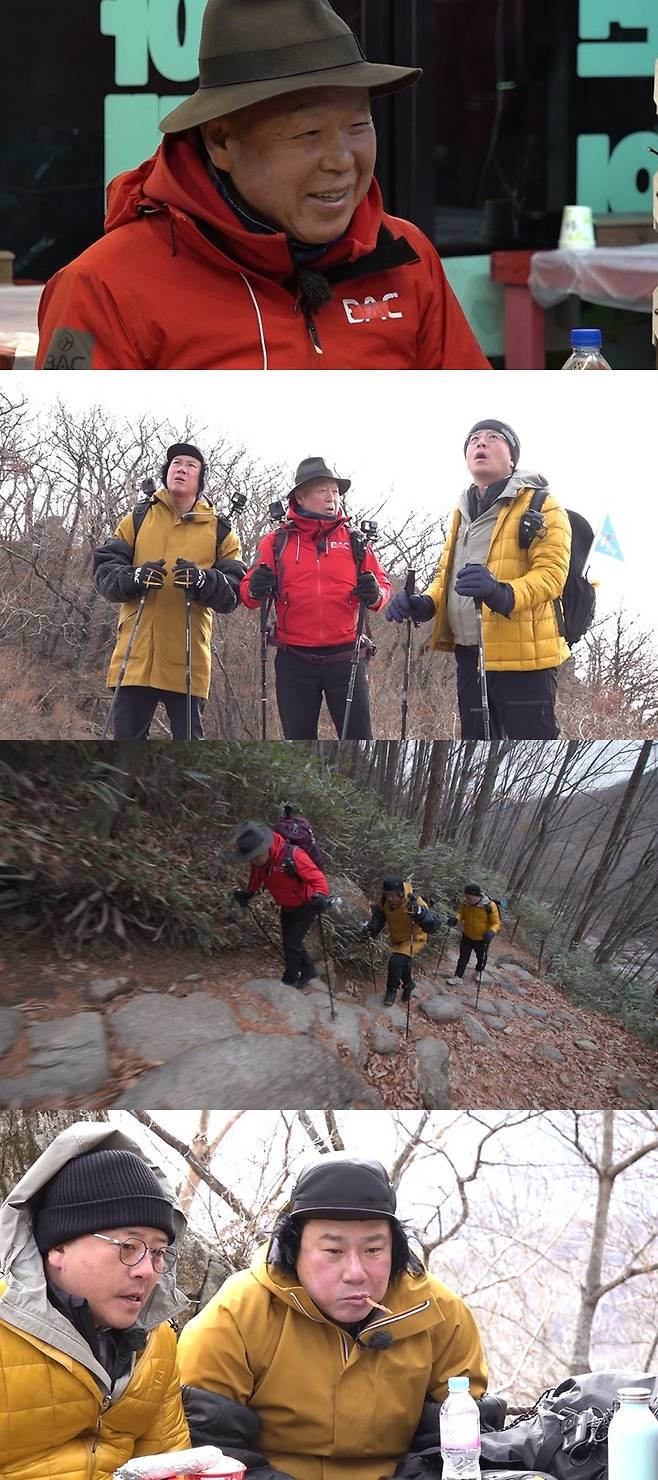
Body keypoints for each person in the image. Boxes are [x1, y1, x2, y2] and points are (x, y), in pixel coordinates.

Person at [35, 0, 491, 371]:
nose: (341, 161)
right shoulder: (102, 288)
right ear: (221, 141)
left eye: (358, 125)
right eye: (306, 134)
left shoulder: (406, 255)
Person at [178, 1156, 488, 1480]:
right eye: (333, 1251)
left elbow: (459, 1450)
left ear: (395, 1249)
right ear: (293, 1249)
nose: (356, 1273)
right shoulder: (239, 1313)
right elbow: (208, 1451)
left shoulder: (437, 1313)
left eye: (373, 1250)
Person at [0, 1120, 190, 1480]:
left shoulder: (157, 1341)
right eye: (129, 1247)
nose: (147, 1271)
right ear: (58, 1246)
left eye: (159, 1252)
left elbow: (169, 1463)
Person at [385, 419, 572, 740]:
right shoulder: (462, 510)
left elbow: (552, 575)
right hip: (469, 655)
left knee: (531, 745)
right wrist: (424, 603)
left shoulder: (542, 504)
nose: (480, 443)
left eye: (493, 438)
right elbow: (446, 575)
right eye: (473, 440)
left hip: (524, 660)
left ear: (512, 457)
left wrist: (501, 593)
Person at [92, 441, 245, 739]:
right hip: (135, 658)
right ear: (166, 473)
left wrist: (203, 581)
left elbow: (234, 593)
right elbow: (104, 573)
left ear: (200, 480)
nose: (182, 469)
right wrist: (134, 577)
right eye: (176, 463)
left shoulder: (221, 531)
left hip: (189, 660)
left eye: (191, 465)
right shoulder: (136, 519)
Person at [241, 457, 391, 740]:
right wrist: (254, 587)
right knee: (298, 743)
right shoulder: (276, 541)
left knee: (358, 740)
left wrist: (375, 594)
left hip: (347, 658)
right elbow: (248, 594)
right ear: (301, 496)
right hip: (293, 660)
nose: (331, 498)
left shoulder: (355, 541)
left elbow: (382, 588)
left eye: (334, 491)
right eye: (322, 490)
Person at [233, 820, 331, 988]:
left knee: (291, 943)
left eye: (256, 856)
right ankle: (309, 971)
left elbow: (318, 877)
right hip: (287, 905)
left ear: (265, 846)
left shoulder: (293, 855)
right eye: (251, 857)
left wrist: (321, 895)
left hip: (307, 903)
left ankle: (290, 978)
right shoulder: (259, 861)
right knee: (292, 941)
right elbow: (256, 876)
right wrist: (249, 892)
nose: (254, 861)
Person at [364, 875, 439, 1006]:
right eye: (387, 895)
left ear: (400, 893)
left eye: (392, 895)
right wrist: (372, 929)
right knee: (403, 964)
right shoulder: (385, 902)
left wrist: (420, 914)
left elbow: (434, 925)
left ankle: (391, 990)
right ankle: (409, 985)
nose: (389, 898)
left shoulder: (414, 902)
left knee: (395, 961)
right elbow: (380, 917)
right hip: (397, 938)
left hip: (414, 939)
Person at [445, 884, 501, 985]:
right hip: (467, 935)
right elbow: (461, 913)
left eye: (469, 897)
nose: (467, 899)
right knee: (463, 957)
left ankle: (479, 971)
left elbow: (496, 923)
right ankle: (458, 976)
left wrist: (491, 932)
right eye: (466, 897)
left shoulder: (489, 906)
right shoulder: (466, 903)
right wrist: (456, 919)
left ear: (477, 896)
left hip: (482, 938)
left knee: (481, 957)